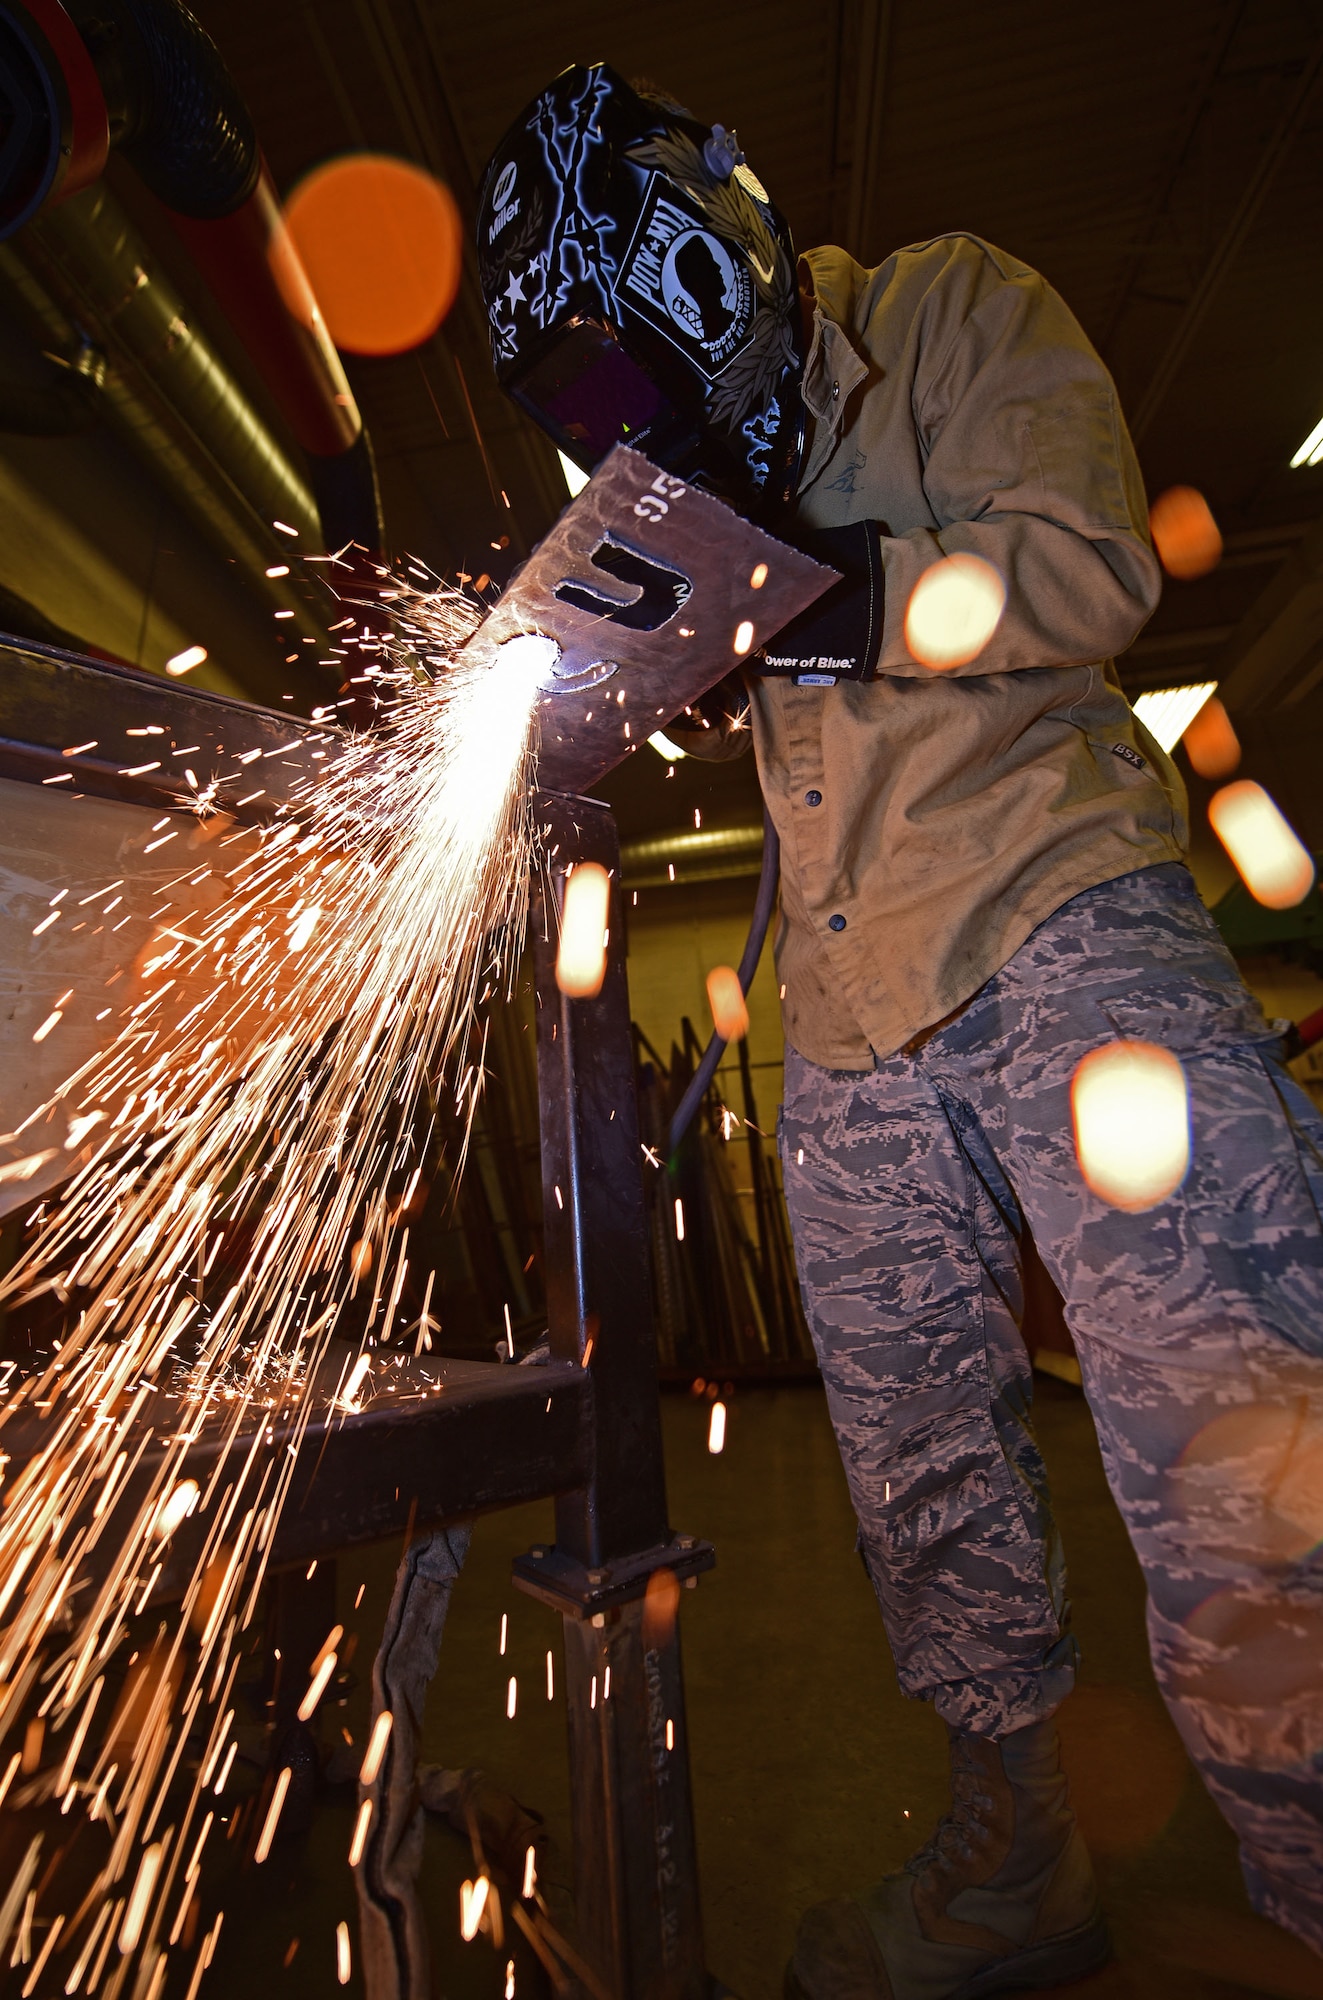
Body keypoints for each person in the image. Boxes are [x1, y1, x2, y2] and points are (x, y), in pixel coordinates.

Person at [476, 63, 1323, 1997]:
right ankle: (1015, 1851)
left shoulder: (950, 304)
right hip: (851, 1014)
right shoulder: (715, 485)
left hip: (1063, 921)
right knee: (924, 1473)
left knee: (1245, 1443)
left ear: (721, 270)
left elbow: (1094, 564)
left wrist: (833, 603)